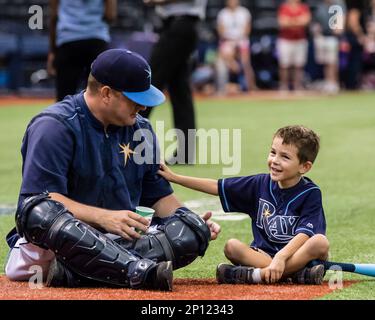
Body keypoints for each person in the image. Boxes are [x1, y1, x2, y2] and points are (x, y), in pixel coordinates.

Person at [4, 49, 220, 290]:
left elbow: (159, 197)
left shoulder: (142, 131)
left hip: (120, 242)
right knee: (40, 211)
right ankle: (130, 270)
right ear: (106, 93)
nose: (142, 107)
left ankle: (79, 274)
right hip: (56, 246)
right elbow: (40, 202)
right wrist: (104, 218)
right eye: (135, 99)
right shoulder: (54, 127)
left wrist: (191, 221)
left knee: (189, 235)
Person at [158, 125, 329, 285]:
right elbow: (216, 186)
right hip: (262, 256)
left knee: (320, 242)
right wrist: (175, 178)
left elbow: (305, 234)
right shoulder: (260, 184)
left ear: (304, 167)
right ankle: (296, 274)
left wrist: (281, 257)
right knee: (232, 246)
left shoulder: (311, 193)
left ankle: (258, 275)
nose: (275, 160)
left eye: (284, 157)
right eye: (273, 152)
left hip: (293, 254)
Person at [140, 0, 208, 165]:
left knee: (150, 82)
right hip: (177, 26)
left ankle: (126, 137)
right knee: (179, 89)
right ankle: (185, 152)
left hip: (181, 25)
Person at [47, 0, 117, 101]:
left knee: (64, 98)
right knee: (97, 97)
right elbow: (110, 15)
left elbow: (54, 16)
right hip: (96, 39)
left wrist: (52, 51)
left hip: (68, 40)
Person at [215, 0, 258, 94]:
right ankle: (222, 87)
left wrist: (237, 41)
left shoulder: (244, 12)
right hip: (227, 41)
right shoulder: (222, 13)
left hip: (241, 40)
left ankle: (251, 86)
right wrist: (231, 41)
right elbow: (221, 31)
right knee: (221, 58)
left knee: (245, 62)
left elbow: (247, 29)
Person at [312, 0, 346, 94]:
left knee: (332, 62)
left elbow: (341, 21)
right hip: (322, 37)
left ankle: (334, 83)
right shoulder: (320, 6)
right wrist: (316, 33)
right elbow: (316, 23)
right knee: (326, 61)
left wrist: (338, 31)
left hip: (333, 37)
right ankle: (328, 82)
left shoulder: (338, 5)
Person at [277, 0, 311, 92]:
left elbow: (306, 21)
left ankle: (297, 86)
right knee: (284, 64)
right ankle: (284, 86)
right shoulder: (284, 7)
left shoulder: (303, 7)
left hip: (300, 40)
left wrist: (290, 21)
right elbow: (282, 22)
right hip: (285, 40)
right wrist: (298, 21)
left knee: (299, 65)